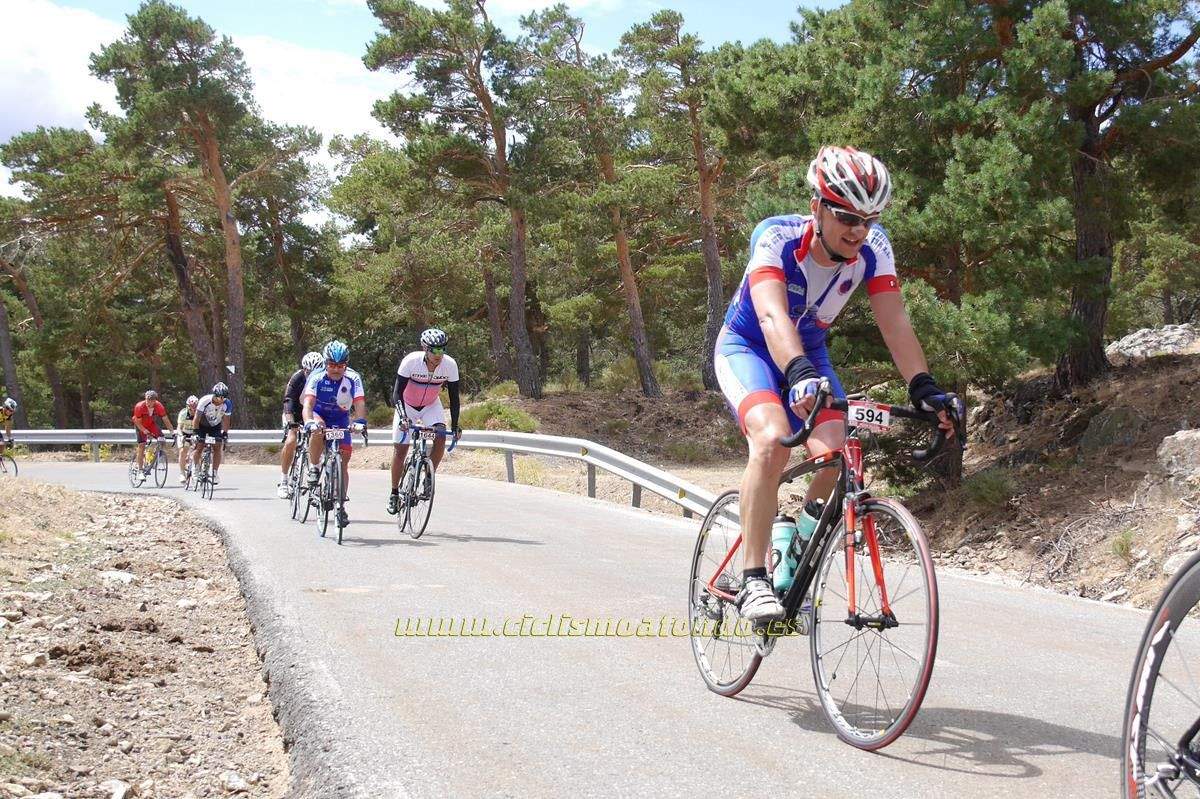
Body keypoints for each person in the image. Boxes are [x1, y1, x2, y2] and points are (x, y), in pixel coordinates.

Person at [715, 146, 957, 622]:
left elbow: (895, 323)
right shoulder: (775, 237)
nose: (858, 230)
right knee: (770, 439)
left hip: (810, 353)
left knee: (834, 456)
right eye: (846, 215)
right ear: (817, 208)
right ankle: (753, 579)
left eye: (869, 219)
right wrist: (798, 372)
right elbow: (769, 313)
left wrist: (923, 386)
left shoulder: (874, 249)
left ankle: (795, 544)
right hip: (749, 347)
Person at [387, 328, 461, 516]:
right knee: (401, 450)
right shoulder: (411, 361)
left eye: (442, 350)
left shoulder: (450, 365)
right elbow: (396, 393)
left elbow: (454, 397)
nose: (439, 355)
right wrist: (403, 416)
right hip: (407, 405)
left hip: (431, 405)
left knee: (441, 435)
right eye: (434, 350)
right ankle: (394, 492)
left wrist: (455, 424)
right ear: (425, 348)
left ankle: (428, 476)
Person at [301, 341, 368, 527]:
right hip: (319, 413)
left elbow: (360, 403)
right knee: (317, 431)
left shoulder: (353, 378)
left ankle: (340, 505)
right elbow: (307, 405)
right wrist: (309, 422)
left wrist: (360, 422)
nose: (336, 369)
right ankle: (314, 467)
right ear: (326, 363)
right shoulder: (316, 377)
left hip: (340, 418)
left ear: (346, 364)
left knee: (343, 462)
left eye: (340, 366)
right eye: (332, 365)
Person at [278, 351, 324, 498]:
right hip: (295, 412)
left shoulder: (324, 378)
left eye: (315, 371)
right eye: (308, 371)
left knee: (319, 439)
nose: (311, 374)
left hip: (312, 413)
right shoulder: (297, 378)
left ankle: (314, 477)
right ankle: (284, 481)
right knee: (291, 440)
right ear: (304, 369)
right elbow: (288, 400)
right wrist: (291, 422)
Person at [191, 383, 232, 485]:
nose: (221, 399)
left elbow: (226, 420)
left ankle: (214, 473)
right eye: (219, 397)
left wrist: (225, 432)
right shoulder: (205, 401)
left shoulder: (228, 403)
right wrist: (196, 432)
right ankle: (195, 470)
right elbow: (196, 418)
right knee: (199, 447)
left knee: (217, 447)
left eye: (224, 397)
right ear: (214, 395)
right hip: (201, 425)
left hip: (215, 426)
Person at [131, 390, 174, 481]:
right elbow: (137, 421)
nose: (148, 402)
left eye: (151, 400)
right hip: (140, 425)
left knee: (162, 439)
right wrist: (143, 430)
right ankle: (140, 471)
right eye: (147, 400)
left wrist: (172, 432)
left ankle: (154, 457)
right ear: (145, 399)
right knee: (142, 445)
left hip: (151, 424)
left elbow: (165, 419)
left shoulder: (159, 406)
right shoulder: (139, 406)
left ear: (155, 401)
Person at [175, 394, 198, 483]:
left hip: (194, 433)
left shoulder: (200, 413)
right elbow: (179, 427)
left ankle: (196, 471)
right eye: (191, 407)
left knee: (198, 452)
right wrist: (181, 435)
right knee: (183, 451)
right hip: (184, 433)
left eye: (195, 407)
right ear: (188, 406)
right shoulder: (183, 413)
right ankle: (182, 473)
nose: (193, 409)